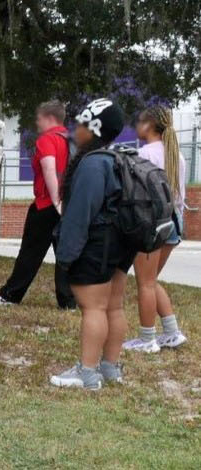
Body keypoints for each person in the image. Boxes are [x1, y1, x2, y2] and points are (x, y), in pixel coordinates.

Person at [50, 98, 133, 390]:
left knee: (93, 308)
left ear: (94, 128)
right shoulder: (117, 159)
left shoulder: (92, 164)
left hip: (98, 246)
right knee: (114, 306)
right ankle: (110, 368)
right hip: (120, 245)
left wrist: (66, 255)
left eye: (82, 123)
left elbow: (80, 213)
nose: (76, 129)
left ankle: (87, 373)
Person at [0, 101, 77, 309]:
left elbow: (49, 170)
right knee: (65, 255)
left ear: (50, 118)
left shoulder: (47, 140)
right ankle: (68, 301)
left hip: (46, 205)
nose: (36, 123)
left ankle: (10, 294)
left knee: (30, 254)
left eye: (39, 118)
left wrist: (55, 200)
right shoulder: (72, 140)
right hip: (69, 204)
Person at [122, 106, 188, 353]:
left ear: (148, 125)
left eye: (139, 121)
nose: (136, 126)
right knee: (151, 280)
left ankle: (147, 338)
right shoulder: (176, 155)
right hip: (173, 222)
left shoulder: (144, 154)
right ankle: (171, 333)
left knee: (145, 283)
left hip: (151, 223)